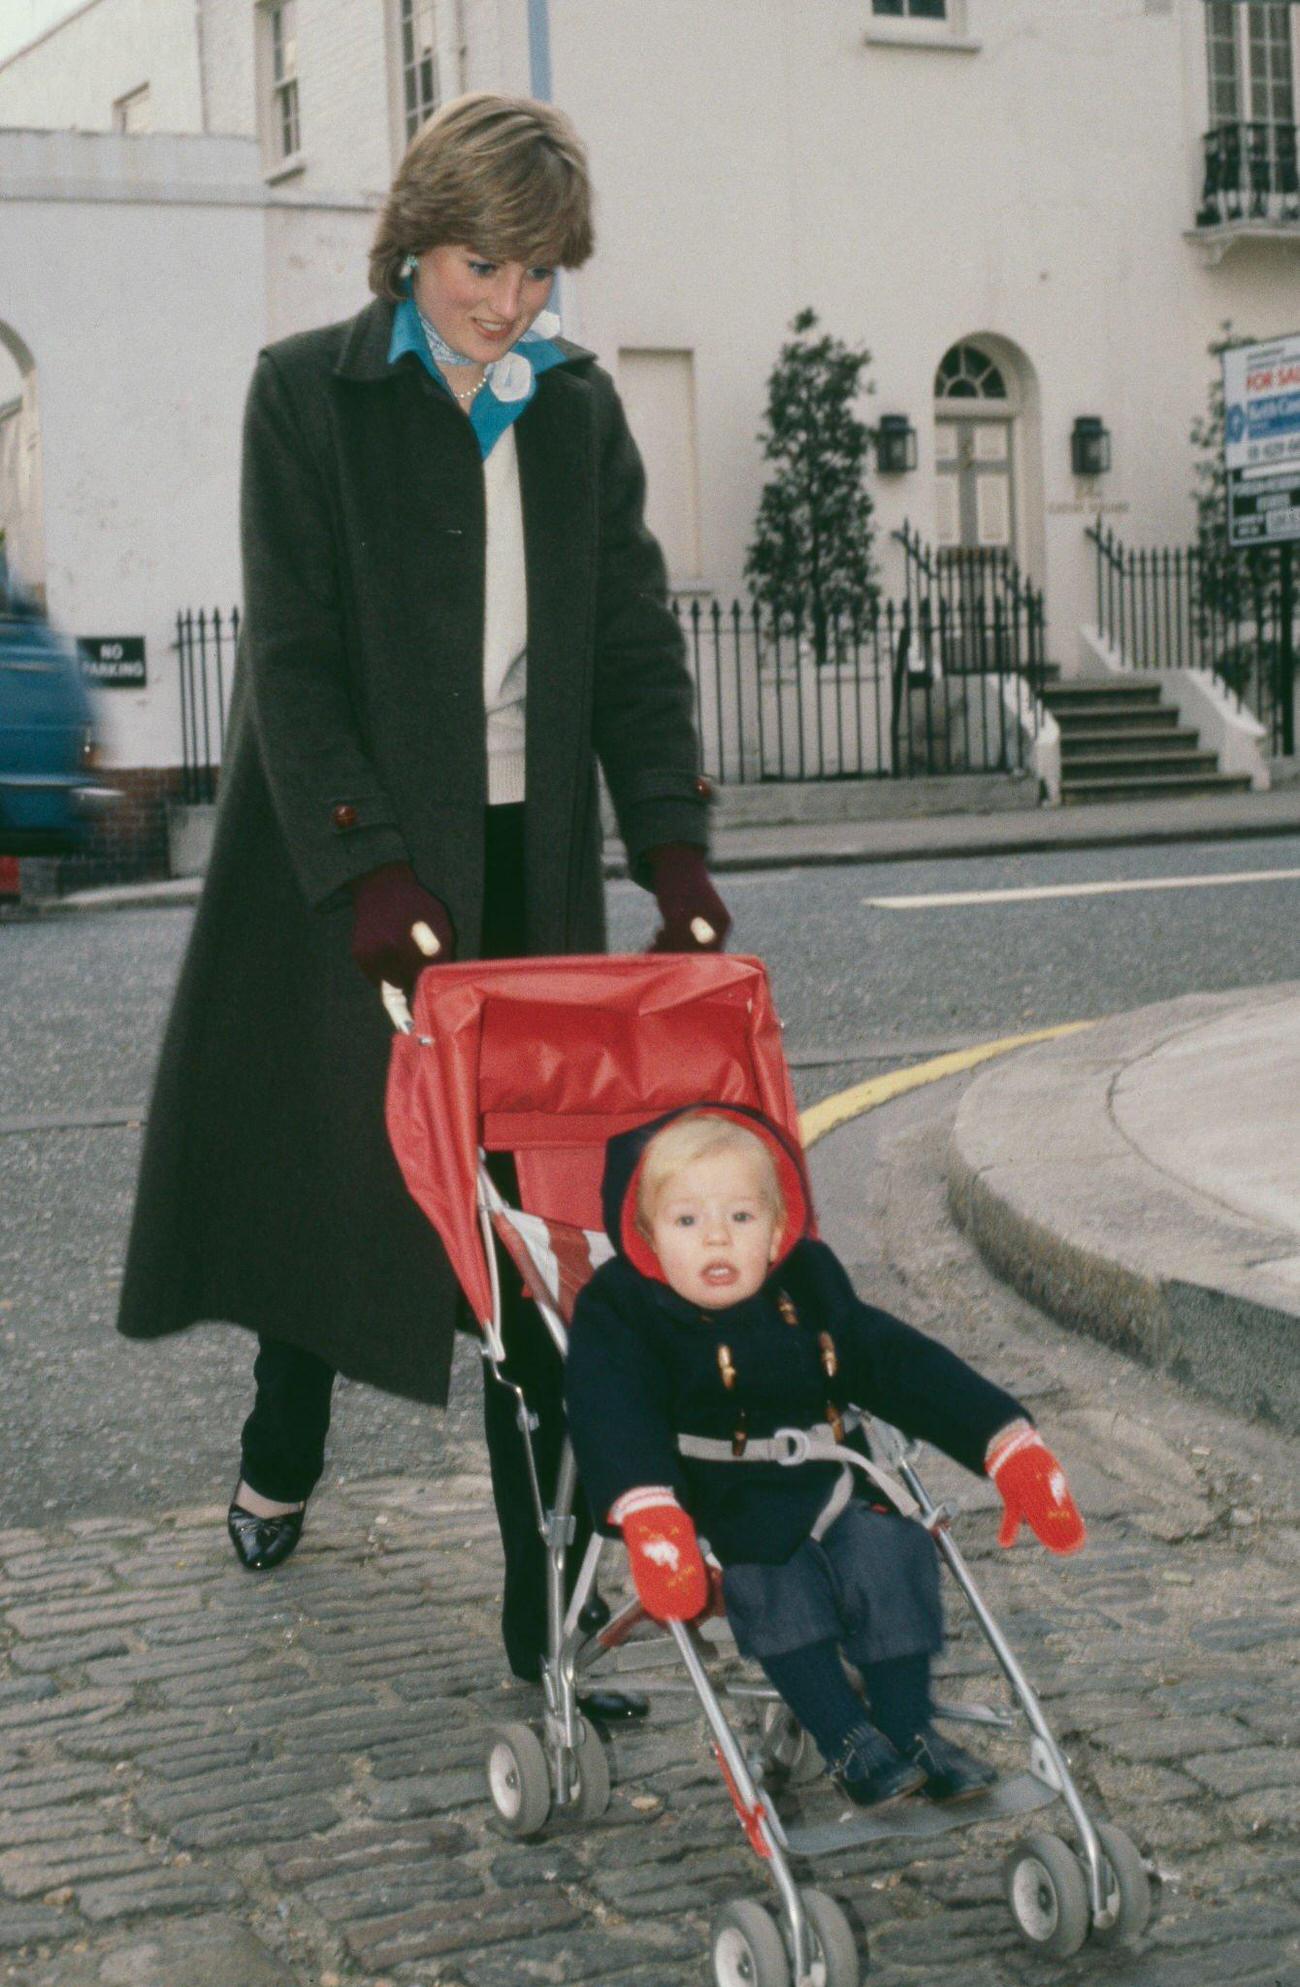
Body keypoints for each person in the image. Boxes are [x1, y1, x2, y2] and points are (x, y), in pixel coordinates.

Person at [115, 92, 730, 1704]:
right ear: (415, 240)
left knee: (540, 1236)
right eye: (482, 263)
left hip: (524, 866)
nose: (511, 302)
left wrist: (670, 849)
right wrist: (368, 860)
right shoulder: (302, 396)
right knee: (346, 1179)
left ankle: (546, 1621)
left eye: (539, 274)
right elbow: (294, 659)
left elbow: (632, 647)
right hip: (358, 873)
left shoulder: (578, 408)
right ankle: (283, 1428)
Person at [564, 1107, 1086, 1805]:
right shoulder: (627, 1311)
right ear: (649, 1235)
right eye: (687, 1221)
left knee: (895, 1551)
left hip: (831, 1482)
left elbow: (895, 1360)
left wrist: (1002, 1439)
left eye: (741, 1217)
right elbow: (610, 1404)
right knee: (778, 1581)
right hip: (719, 1506)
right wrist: (649, 1509)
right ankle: (844, 1736)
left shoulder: (807, 1286)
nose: (716, 1236)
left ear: (777, 1230)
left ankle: (909, 1728)